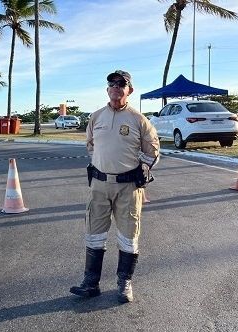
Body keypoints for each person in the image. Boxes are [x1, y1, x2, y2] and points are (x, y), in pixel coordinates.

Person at [70, 70, 159, 303]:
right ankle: (91, 283)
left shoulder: (139, 120)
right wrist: (103, 163)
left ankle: (124, 283)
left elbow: (153, 152)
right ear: (107, 89)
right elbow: (91, 146)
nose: (116, 87)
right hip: (99, 185)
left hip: (127, 187)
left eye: (122, 84)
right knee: (94, 234)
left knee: (128, 236)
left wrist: (141, 170)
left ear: (130, 90)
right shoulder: (96, 116)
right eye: (112, 83)